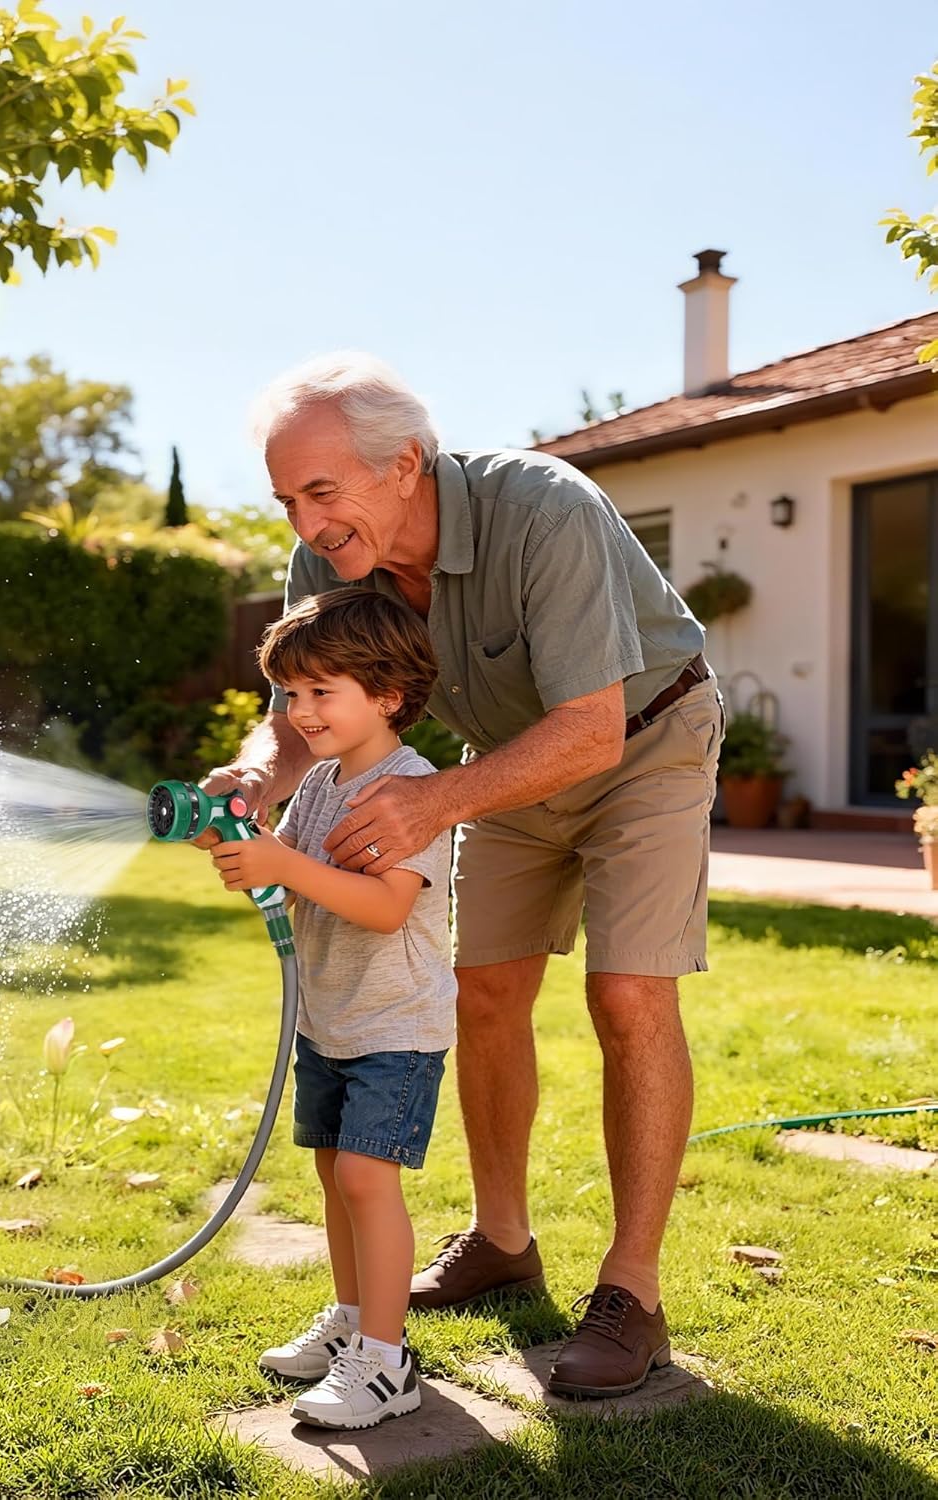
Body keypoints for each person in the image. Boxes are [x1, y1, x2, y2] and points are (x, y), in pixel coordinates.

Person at [203, 352, 721, 1400]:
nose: (307, 525)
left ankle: (633, 1292)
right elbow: (299, 716)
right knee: (483, 992)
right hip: (507, 765)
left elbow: (592, 728)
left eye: (322, 491)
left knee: (627, 994)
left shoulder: (543, 510)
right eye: (288, 500)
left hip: (643, 739)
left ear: (404, 463)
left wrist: (435, 800)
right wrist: (260, 775)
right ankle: (501, 1238)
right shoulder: (331, 563)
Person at [206, 586, 452, 1431]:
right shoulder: (313, 787)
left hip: (397, 1025)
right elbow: (304, 879)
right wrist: (252, 856)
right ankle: (353, 1324)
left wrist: (283, 863)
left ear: (387, 694)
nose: (301, 712)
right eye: (293, 694)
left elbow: (385, 906)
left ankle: (387, 1364)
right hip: (331, 1019)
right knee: (331, 1176)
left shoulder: (410, 789)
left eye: (323, 692)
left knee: (364, 1177)